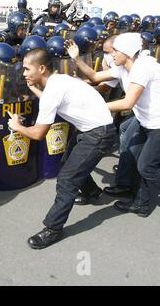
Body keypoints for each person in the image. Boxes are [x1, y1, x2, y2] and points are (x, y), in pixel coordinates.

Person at [8, 48, 116, 249]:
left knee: (67, 179)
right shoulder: (58, 81)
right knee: (69, 163)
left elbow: (39, 134)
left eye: (26, 69)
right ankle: (92, 192)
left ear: (41, 68)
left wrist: (18, 127)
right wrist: (33, 88)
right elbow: (51, 98)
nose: (23, 73)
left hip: (98, 134)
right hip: (94, 128)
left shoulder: (53, 90)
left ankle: (53, 229)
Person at [66, 33, 160, 217]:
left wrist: (96, 107)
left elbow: (127, 103)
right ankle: (140, 201)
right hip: (145, 121)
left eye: (115, 51)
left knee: (146, 166)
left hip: (157, 124)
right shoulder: (122, 67)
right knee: (137, 161)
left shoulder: (143, 67)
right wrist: (76, 58)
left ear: (127, 52)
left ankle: (143, 201)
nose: (111, 55)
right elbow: (94, 75)